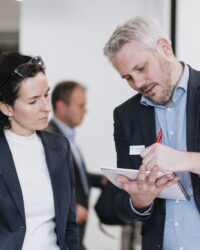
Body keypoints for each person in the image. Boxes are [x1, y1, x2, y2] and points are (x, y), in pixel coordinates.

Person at [103, 16, 200, 250]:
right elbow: (121, 205)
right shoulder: (126, 115)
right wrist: (139, 201)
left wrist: (185, 159)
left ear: (164, 48)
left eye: (141, 68)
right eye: (127, 77)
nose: (137, 83)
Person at [0, 52, 78, 250]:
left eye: (46, 95)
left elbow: (69, 223)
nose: (46, 108)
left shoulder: (60, 147)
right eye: (33, 101)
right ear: (7, 108)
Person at [46, 80, 106, 250]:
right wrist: (70, 206)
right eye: (80, 105)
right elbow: (48, 180)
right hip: (65, 230)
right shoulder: (49, 137)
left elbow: (72, 174)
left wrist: (101, 180)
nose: (85, 110)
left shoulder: (67, 137)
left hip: (76, 232)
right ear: (61, 106)